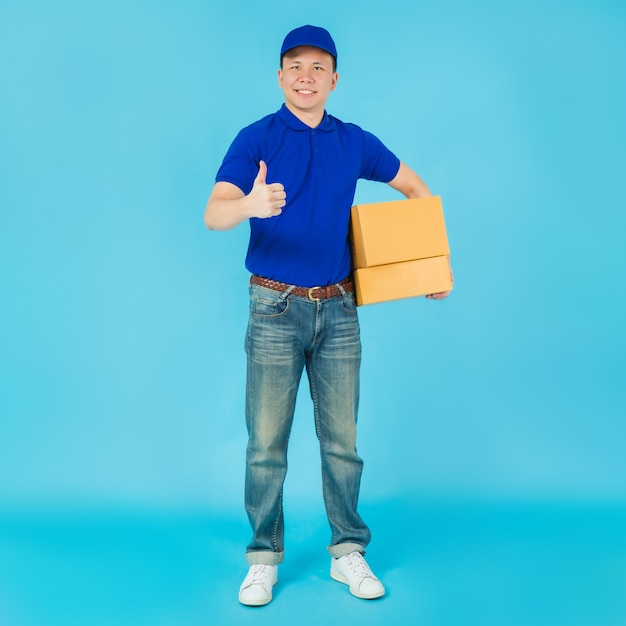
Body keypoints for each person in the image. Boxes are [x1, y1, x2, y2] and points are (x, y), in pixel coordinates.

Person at [204, 25, 452, 607]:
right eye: (295, 66)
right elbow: (214, 213)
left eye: (318, 67)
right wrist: (249, 203)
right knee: (266, 443)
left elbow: (415, 188)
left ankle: (347, 553)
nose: (306, 76)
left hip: (339, 309)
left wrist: (429, 265)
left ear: (334, 79)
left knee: (342, 441)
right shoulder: (256, 138)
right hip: (273, 307)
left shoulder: (355, 141)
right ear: (280, 75)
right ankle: (263, 557)